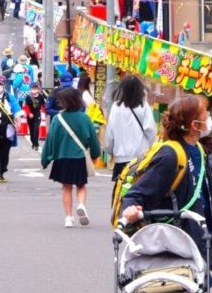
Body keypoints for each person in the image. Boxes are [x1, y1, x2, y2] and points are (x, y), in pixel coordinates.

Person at [120, 95, 212, 270]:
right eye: (205, 113)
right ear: (194, 125)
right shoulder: (170, 156)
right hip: (174, 246)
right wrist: (129, 208)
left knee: (200, 285)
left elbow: (208, 201)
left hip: (198, 240)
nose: (209, 116)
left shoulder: (200, 150)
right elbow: (137, 193)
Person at [41, 88, 102, 227]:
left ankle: (68, 218)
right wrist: (95, 154)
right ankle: (81, 205)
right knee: (81, 185)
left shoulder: (58, 119)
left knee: (66, 188)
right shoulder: (84, 118)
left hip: (62, 158)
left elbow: (51, 140)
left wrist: (45, 159)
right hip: (79, 158)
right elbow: (93, 140)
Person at [106, 75, 157, 181]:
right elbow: (151, 131)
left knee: (121, 188)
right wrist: (149, 148)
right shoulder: (144, 106)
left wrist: (110, 150)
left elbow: (110, 133)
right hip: (140, 158)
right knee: (138, 187)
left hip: (121, 158)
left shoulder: (116, 107)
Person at [22, 83, 47, 151]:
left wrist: (45, 112)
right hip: (30, 115)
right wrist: (29, 113)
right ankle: (33, 142)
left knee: (36, 129)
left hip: (37, 114)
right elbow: (26, 107)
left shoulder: (41, 96)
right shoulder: (28, 97)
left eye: (35, 88)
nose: (34, 90)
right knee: (32, 130)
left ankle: (36, 144)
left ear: (38, 89)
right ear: (30, 89)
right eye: (33, 88)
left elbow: (43, 105)